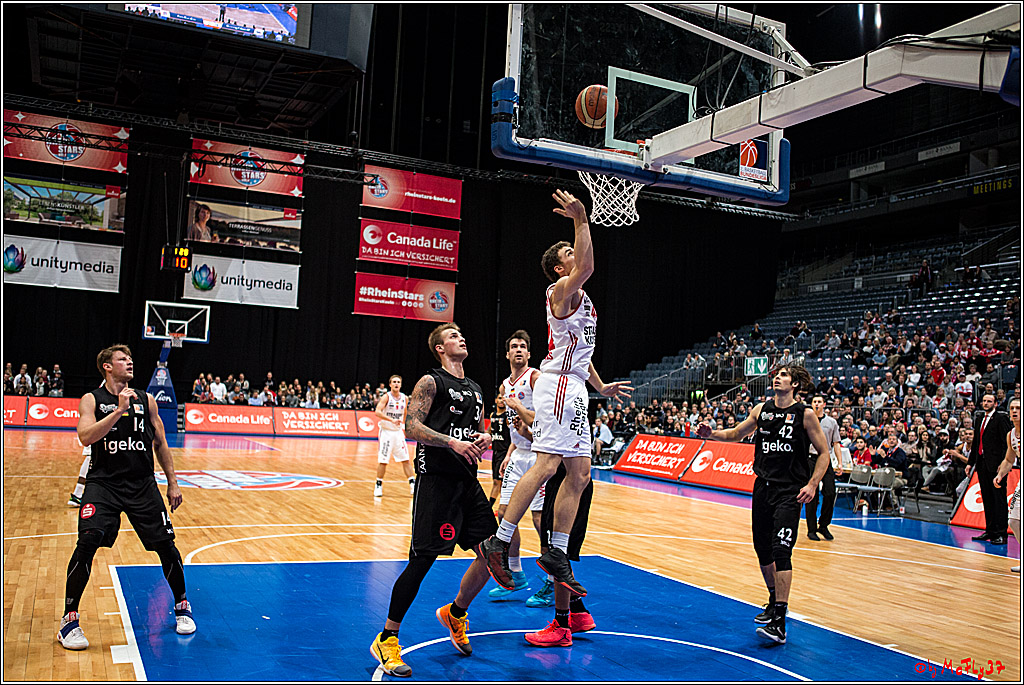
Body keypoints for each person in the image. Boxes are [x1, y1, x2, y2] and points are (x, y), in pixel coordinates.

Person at [478, 190, 631, 629]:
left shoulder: (578, 301)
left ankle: (557, 551)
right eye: (568, 252)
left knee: (580, 473)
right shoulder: (562, 290)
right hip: (559, 387)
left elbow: (579, 350)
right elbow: (586, 265)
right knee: (547, 465)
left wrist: (599, 384)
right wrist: (581, 220)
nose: (575, 252)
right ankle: (500, 539)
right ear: (560, 269)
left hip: (576, 386)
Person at [369, 323, 496, 678]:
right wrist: (451, 442)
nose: (462, 337)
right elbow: (411, 428)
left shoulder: (474, 388)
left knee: (493, 551)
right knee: (422, 561)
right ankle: (387, 637)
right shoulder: (430, 382)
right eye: (453, 336)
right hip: (436, 482)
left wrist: (480, 438)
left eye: (462, 333)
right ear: (440, 348)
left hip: (467, 483)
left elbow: (472, 430)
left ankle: (455, 612)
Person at [58, 345, 194, 651]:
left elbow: (160, 443)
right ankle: (69, 620)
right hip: (103, 484)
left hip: (142, 484)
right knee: (87, 542)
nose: (129, 362)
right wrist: (118, 410)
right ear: (107, 367)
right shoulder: (92, 399)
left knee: (165, 545)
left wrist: (173, 482)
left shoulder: (147, 400)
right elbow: (85, 436)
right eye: (122, 359)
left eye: (130, 358)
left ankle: (182, 604)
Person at [703, 364, 832, 645]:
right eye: (777, 374)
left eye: (784, 375)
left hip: (790, 491)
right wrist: (711, 433)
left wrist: (812, 484)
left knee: (781, 549)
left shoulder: (805, 414)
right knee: (762, 548)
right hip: (762, 487)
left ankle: (780, 621)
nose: (777, 377)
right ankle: (773, 601)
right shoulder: (761, 410)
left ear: (795, 384)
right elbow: (736, 434)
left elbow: (824, 453)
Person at [488, 331, 547, 601]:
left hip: (539, 455)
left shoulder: (535, 378)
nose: (519, 350)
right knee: (504, 514)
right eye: (514, 346)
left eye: (524, 346)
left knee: (539, 519)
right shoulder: (505, 384)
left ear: (529, 354)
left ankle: (551, 581)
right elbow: (517, 429)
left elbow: (544, 419)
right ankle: (516, 574)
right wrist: (511, 452)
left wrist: (522, 419)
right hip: (520, 454)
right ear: (508, 354)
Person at [968, 393, 1012, 544]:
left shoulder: (1001, 418)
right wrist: (970, 462)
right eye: (984, 401)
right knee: (987, 498)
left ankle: (1001, 533)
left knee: (998, 499)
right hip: (982, 464)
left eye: (989, 401)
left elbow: (1007, 443)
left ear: (995, 403)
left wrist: (1004, 462)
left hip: (997, 466)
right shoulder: (980, 418)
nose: (986, 403)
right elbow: (976, 442)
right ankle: (990, 530)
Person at [805, 395, 843, 541]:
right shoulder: (807, 421)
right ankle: (811, 528)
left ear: (824, 404)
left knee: (830, 492)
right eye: (814, 401)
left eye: (819, 402)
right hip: (810, 459)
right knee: (811, 494)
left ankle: (824, 525)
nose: (817, 404)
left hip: (825, 458)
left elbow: (836, 443)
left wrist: (839, 463)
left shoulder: (831, 422)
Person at [373, 375, 415, 498]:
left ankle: (412, 483)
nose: (396, 384)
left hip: (398, 432)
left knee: (406, 459)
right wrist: (391, 420)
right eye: (394, 382)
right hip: (386, 432)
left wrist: (407, 426)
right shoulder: (386, 397)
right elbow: (377, 412)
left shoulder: (404, 398)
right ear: (390, 384)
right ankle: (378, 484)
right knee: (383, 460)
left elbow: (406, 414)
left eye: (398, 382)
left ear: (400, 385)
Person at [993, 397, 1020, 572]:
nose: (1015, 411)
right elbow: (1009, 459)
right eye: (1012, 408)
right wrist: (1000, 474)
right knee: (1014, 520)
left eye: (1018, 407)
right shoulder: (1011, 434)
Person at [488, 393, 510, 506]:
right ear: (496, 400)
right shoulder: (493, 415)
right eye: (500, 398)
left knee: (498, 482)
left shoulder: (507, 417)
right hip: (495, 453)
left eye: (504, 398)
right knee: (498, 483)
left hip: (504, 453)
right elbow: (489, 432)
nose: (501, 400)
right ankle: (504, 507)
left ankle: (488, 507)